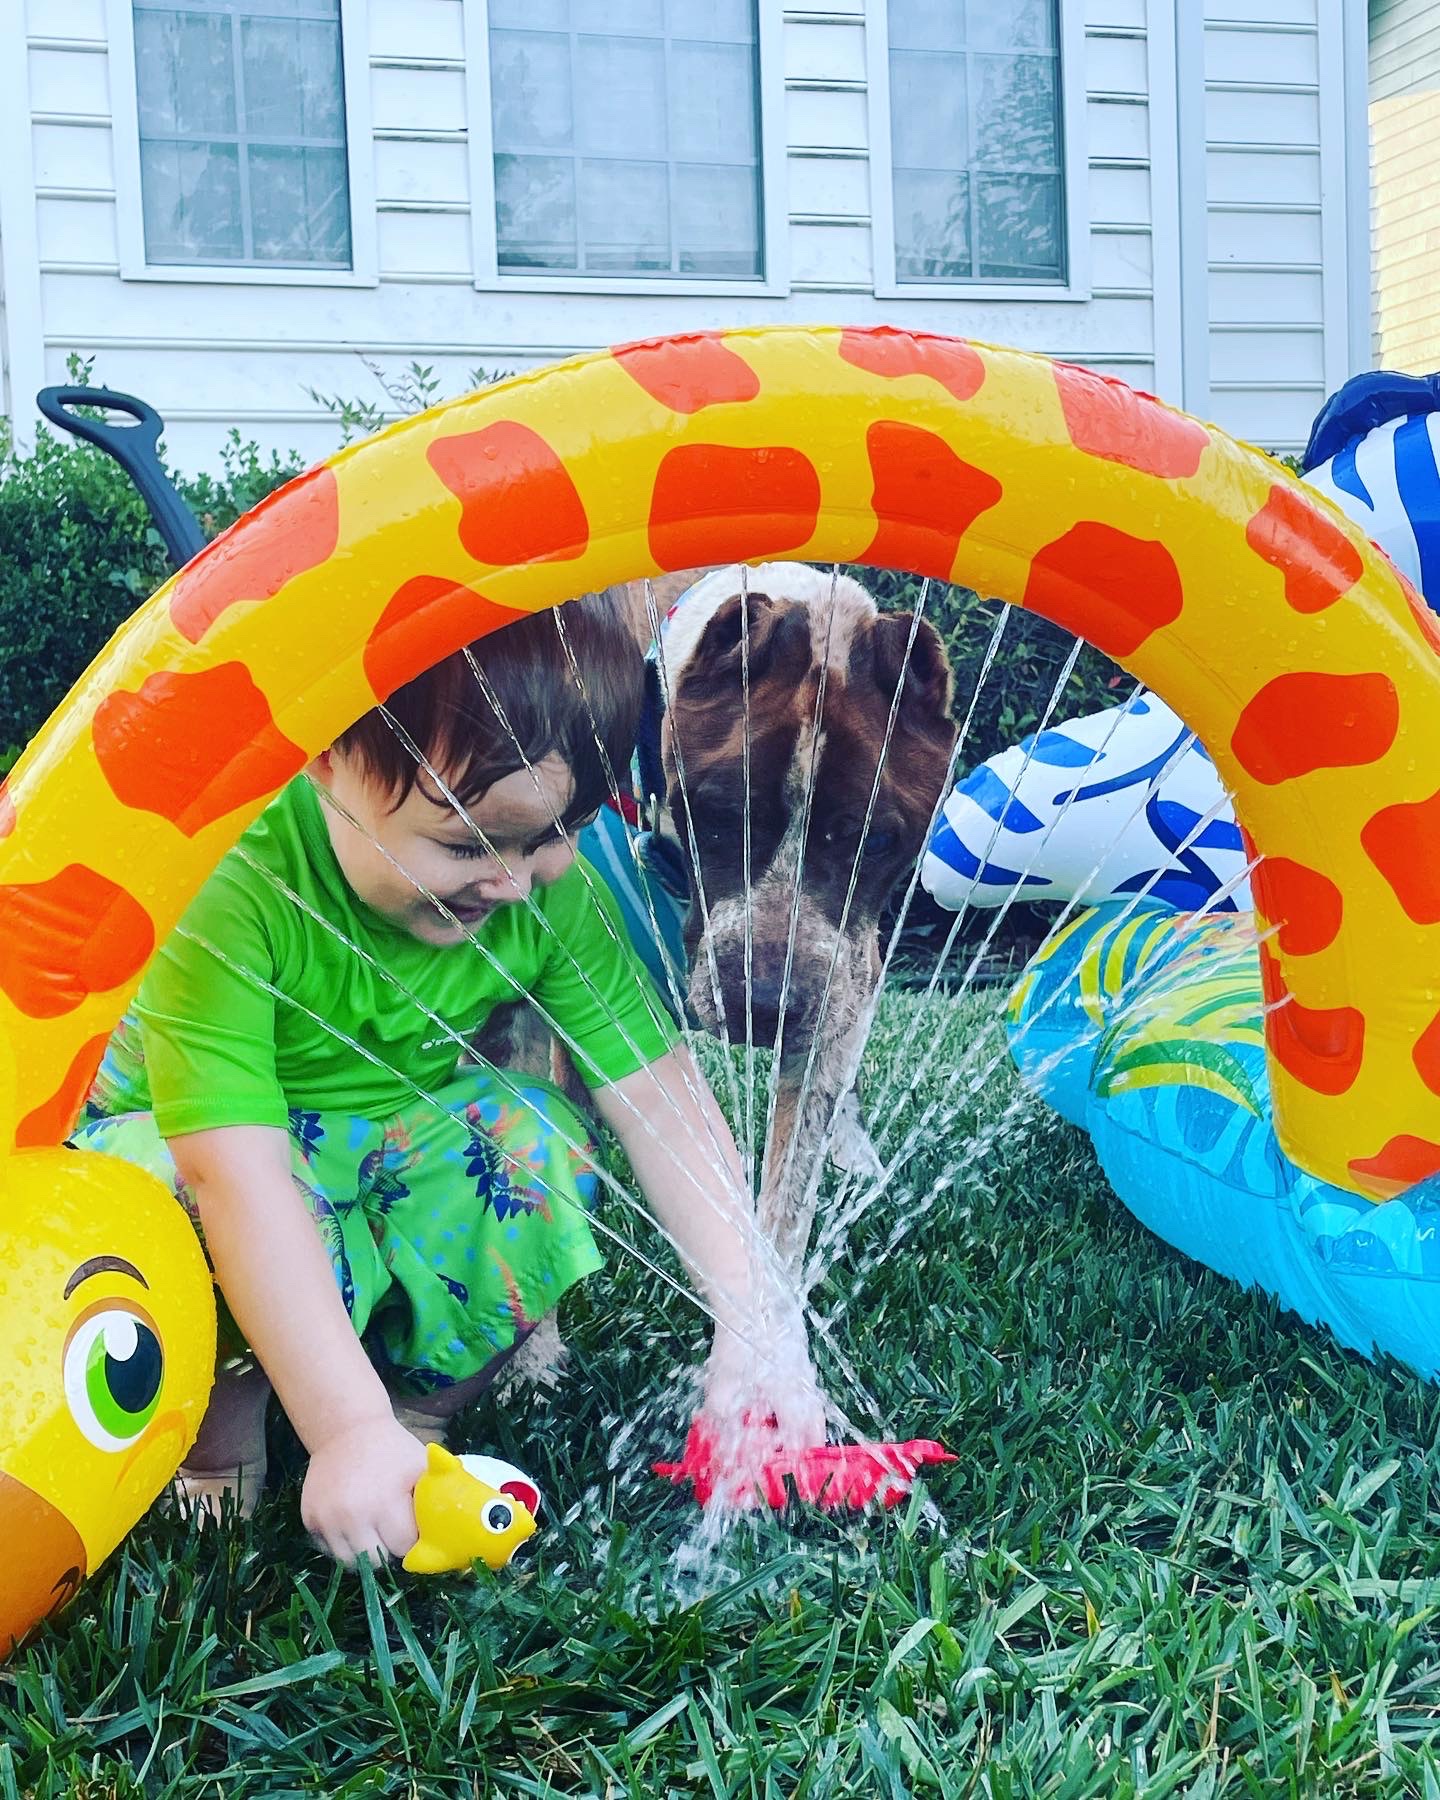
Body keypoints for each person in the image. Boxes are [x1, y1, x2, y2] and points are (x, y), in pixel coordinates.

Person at [72, 591, 820, 1566]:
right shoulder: (232, 881)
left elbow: (656, 1094)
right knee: (168, 1205)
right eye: (469, 842)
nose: (515, 879)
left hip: (386, 1139)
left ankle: (415, 1417)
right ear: (329, 757)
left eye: (558, 832)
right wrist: (335, 1429)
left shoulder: (553, 891)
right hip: (206, 1154)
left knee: (534, 1143)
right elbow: (233, 1173)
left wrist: (754, 1313)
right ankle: (219, 1457)